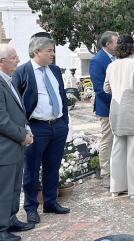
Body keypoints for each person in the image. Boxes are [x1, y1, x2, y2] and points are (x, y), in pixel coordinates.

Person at [12, 38, 70, 224]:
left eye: (53, 50)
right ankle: (30, 207)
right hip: (35, 127)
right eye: (49, 50)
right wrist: (25, 129)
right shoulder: (22, 72)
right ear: (36, 52)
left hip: (58, 125)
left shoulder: (54, 70)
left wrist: (65, 122)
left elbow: (62, 96)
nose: (53, 54)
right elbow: (16, 104)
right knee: (31, 168)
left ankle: (50, 203)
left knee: (52, 167)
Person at [103, 35, 134, 199]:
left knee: (117, 151)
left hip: (116, 112)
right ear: (132, 47)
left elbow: (106, 89)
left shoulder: (111, 66)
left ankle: (116, 187)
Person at [0, 45, 34, 241]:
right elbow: (2, 120)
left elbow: (18, 112)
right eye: (14, 57)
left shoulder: (9, 81)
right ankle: (1, 228)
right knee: (3, 189)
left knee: (13, 187)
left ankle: (10, 219)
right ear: (1, 61)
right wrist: (23, 135)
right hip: (5, 147)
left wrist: (26, 130)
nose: (18, 60)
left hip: (15, 145)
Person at [89, 31, 118, 188]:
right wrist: (116, 103)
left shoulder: (117, 58)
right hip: (107, 107)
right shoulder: (97, 61)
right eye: (116, 42)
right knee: (108, 140)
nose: (118, 45)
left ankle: (117, 170)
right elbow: (100, 90)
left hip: (120, 107)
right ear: (108, 44)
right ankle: (106, 173)